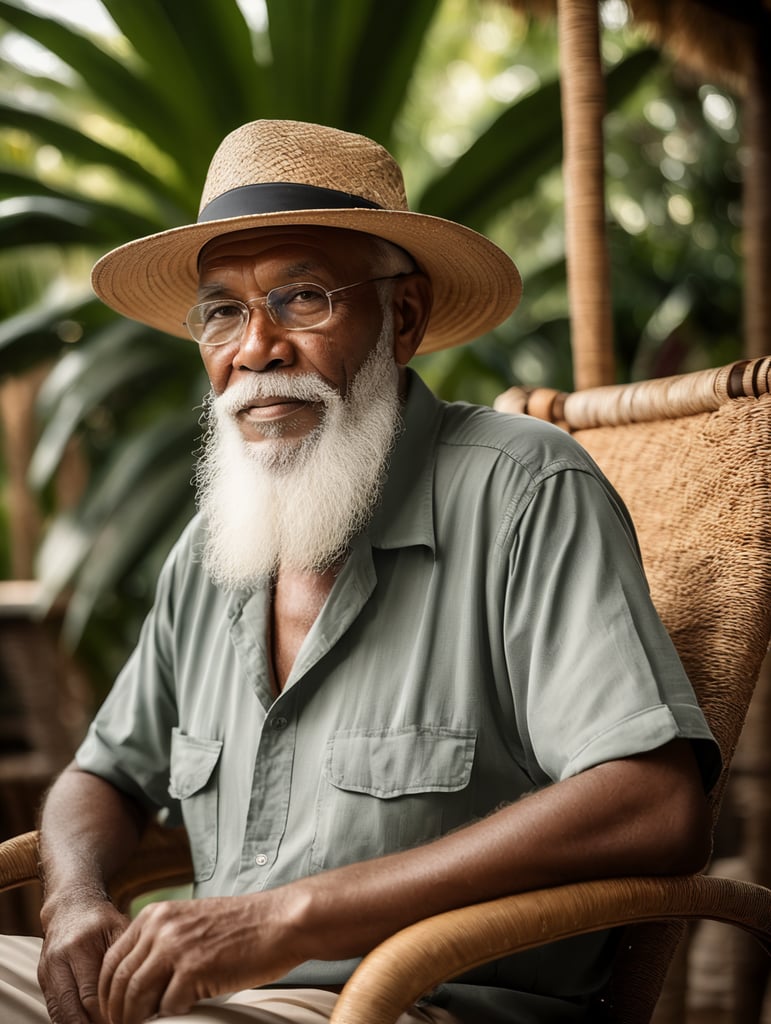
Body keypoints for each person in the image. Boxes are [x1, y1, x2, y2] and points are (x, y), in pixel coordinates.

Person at [0, 119, 719, 1024]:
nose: (255, 349)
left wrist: (288, 918)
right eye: (223, 310)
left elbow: (653, 805)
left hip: (404, 1004)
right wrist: (71, 899)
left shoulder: (523, 490)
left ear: (404, 316)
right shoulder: (212, 552)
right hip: (207, 1000)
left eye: (302, 298)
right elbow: (100, 777)